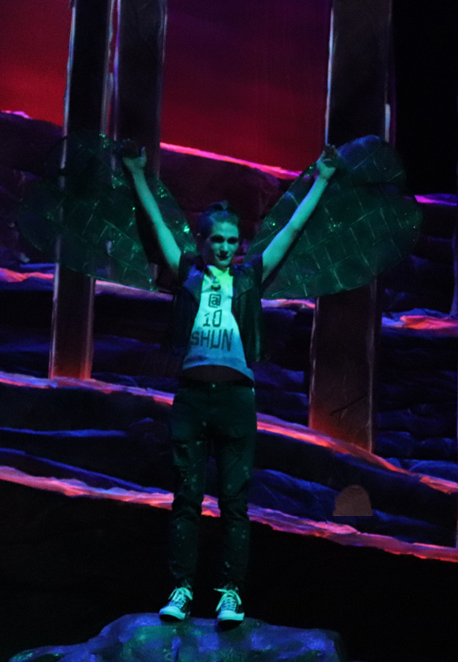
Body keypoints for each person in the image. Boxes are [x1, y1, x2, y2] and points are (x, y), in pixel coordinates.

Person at [123, 146, 338, 625]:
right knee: (186, 500)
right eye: (217, 240)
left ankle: (230, 594)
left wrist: (321, 181)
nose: (224, 247)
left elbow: (291, 231)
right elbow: (158, 225)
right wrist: (136, 173)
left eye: (232, 241)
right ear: (202, 241)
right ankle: (181, 589)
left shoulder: (248, 277)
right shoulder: (188, 273)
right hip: (193, 398)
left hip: (237, 400)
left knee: (235, 504)